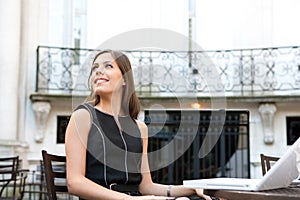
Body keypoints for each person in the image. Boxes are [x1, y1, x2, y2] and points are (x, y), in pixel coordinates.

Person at [65, 49, 215, 200]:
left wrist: (190, 189)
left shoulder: (140, 128)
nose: (98, 71)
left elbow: (146, 186)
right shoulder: (83, 116)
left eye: (108, 66)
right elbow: (75, 182)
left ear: (125, 79)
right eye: (94, 68)